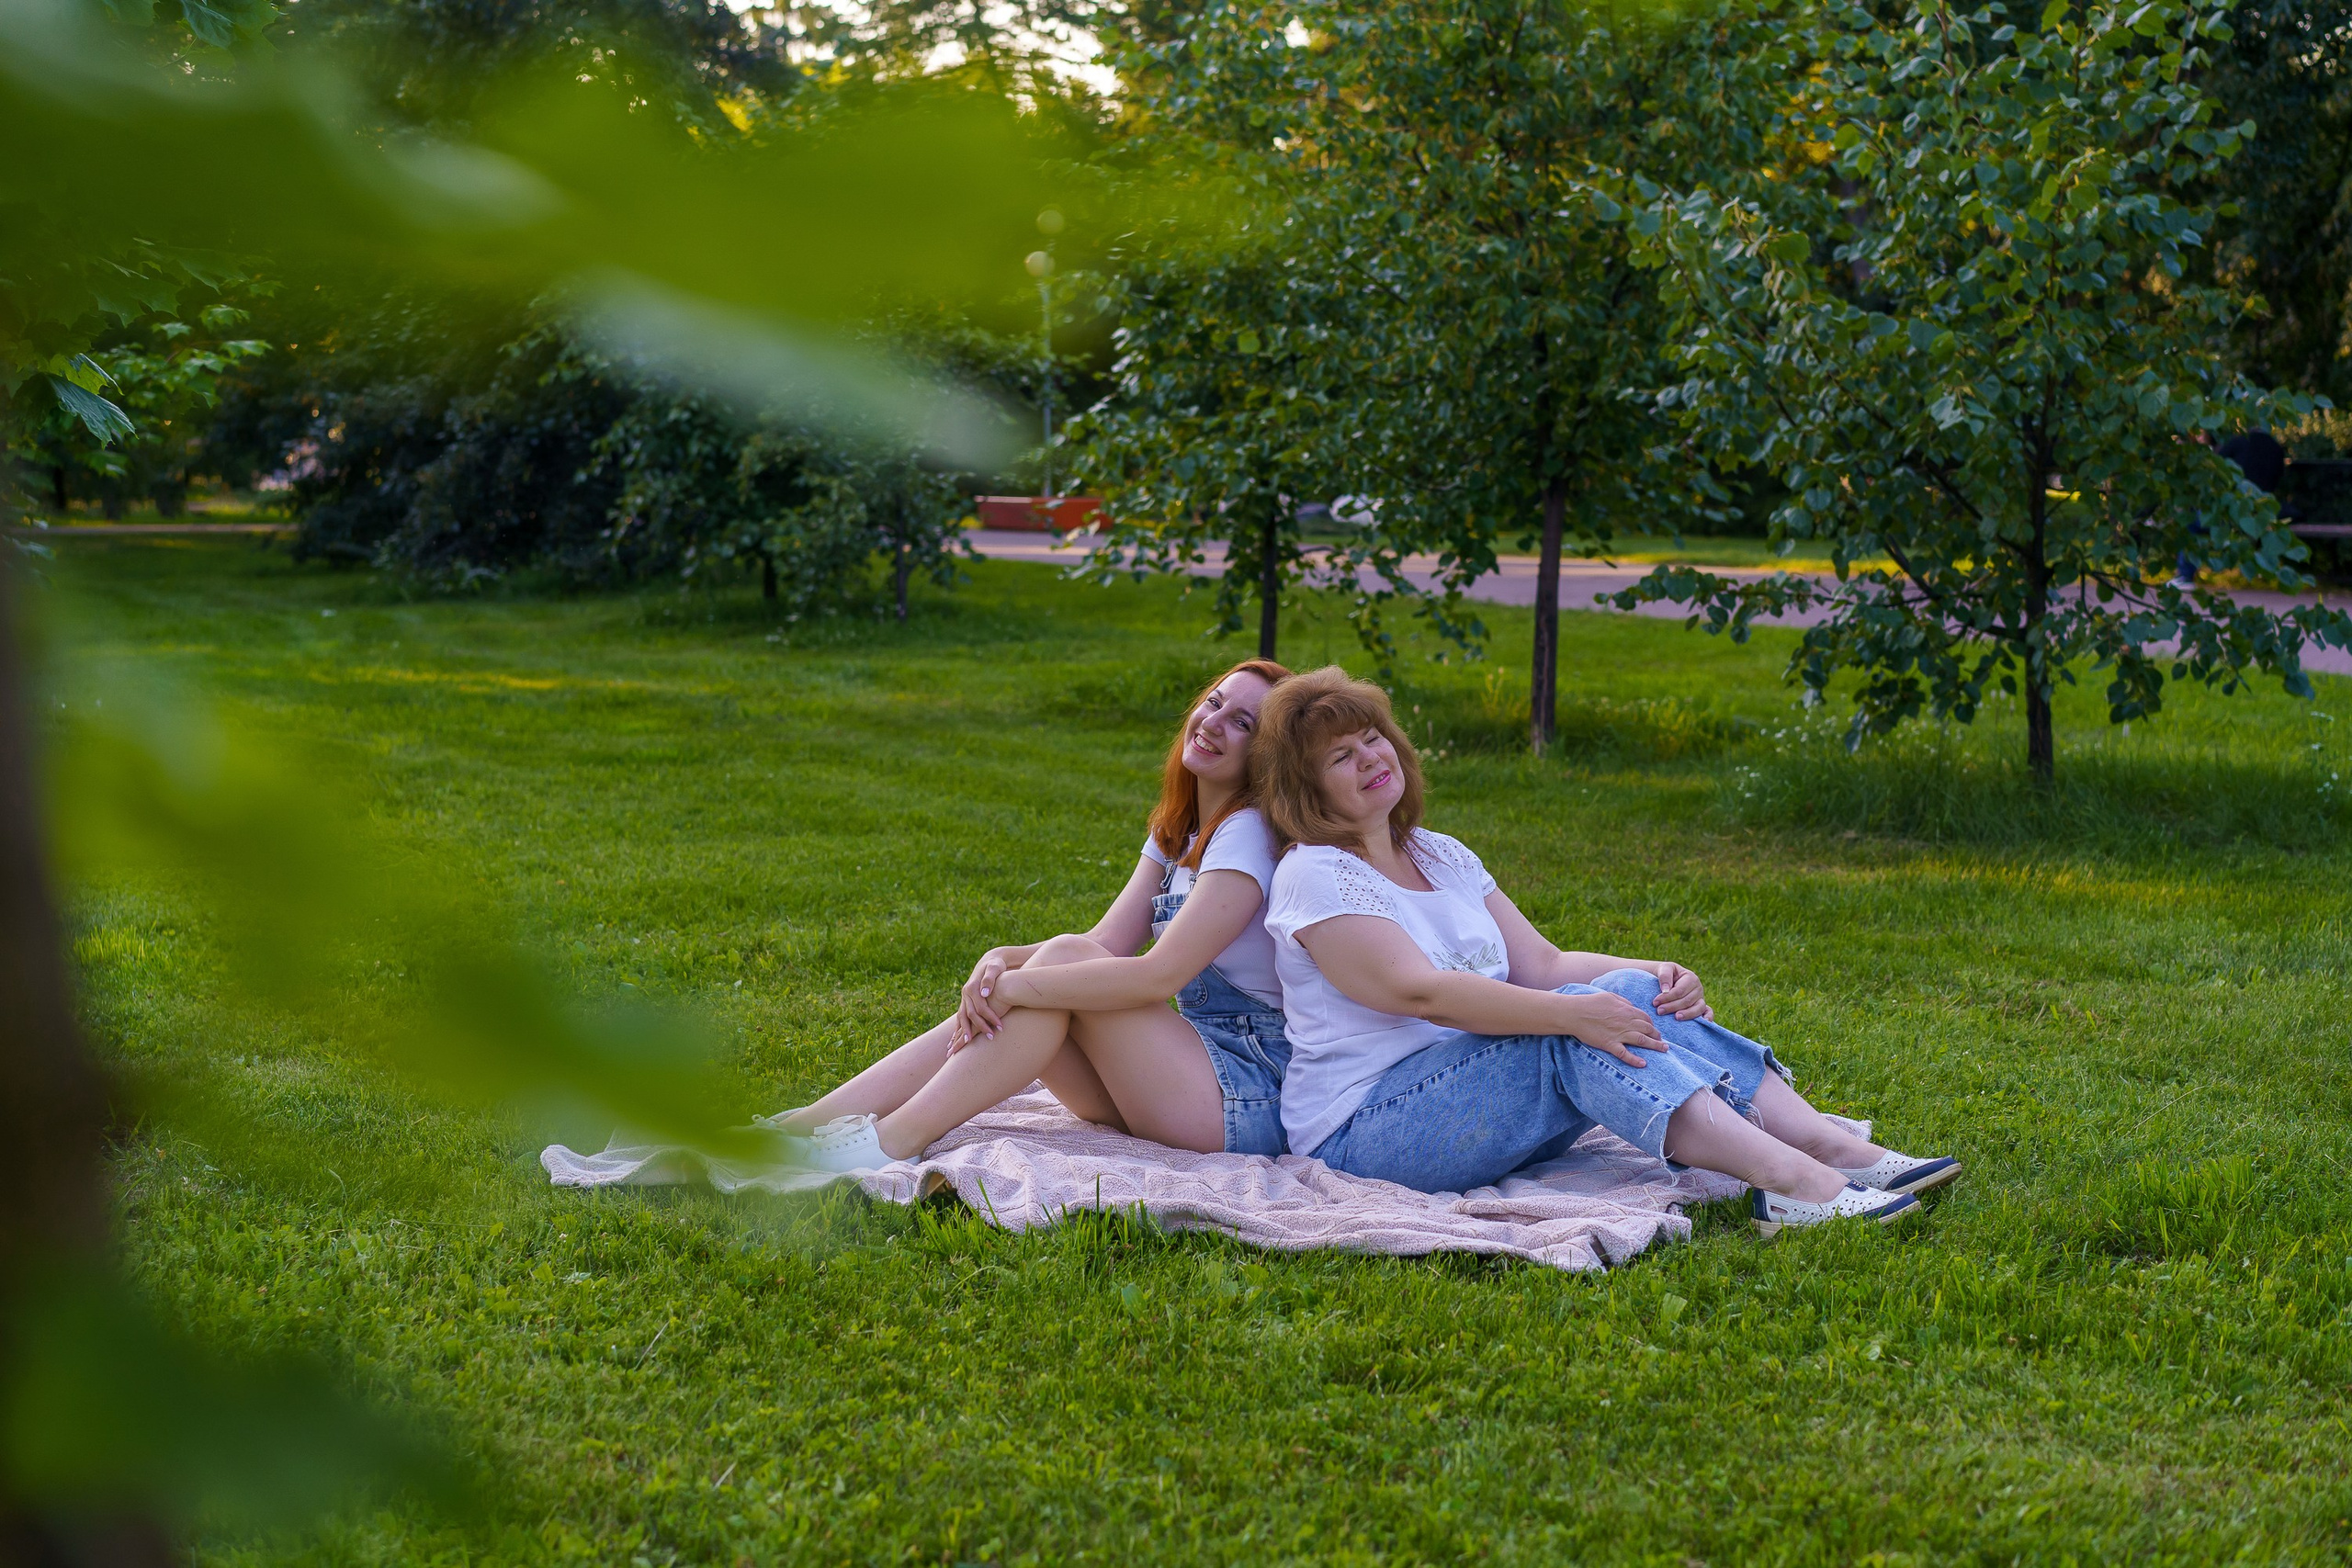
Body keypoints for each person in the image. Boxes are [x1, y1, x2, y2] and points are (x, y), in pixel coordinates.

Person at [1251, 666, 1961, 1236]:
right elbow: (1419, 992)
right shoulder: (1316, 872)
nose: (1370, 757)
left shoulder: (1438, 853)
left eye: (1372, 737)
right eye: (1341, 757)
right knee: (1572, 1017)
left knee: (1615, 992)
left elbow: (1544, 964)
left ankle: (1838, 1149)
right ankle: (1795, 1185)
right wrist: (1573, 1015)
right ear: (1307, 789)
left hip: (1481, 1101)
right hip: (1370, 1131)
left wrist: (1654, 974)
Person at [775, 659, 1297, 1168]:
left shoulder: (1245, 833)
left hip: (1242, 1097)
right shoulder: (1179, 830)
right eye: (1214, 702)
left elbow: (1158, 977)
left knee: (1060, 963)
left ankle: (890, 1142)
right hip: (1175, 1082)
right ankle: (803, 1127)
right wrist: (1002, 960)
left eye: (1242, 724)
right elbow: (1109, 944)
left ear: (1266, 757)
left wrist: (1014, 986)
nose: (1212, 723)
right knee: (1059, 968)